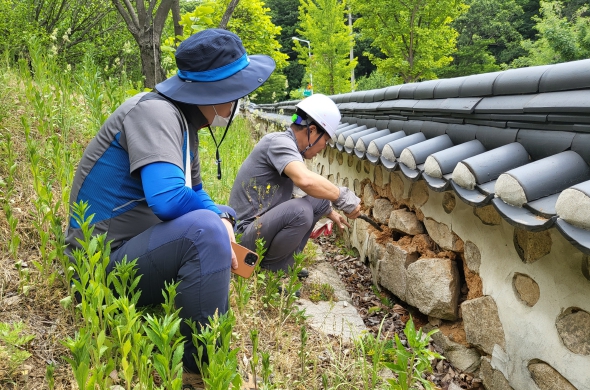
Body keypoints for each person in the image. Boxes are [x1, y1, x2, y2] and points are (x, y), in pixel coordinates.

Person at [65, 29, 275, 376]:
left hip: (128, 249)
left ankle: (207, 338)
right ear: (215, 92)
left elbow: (196, 191)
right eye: (238, 91)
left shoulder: (183, 124)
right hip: (96, 266)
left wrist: (221, 215)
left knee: (220, 216)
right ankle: (200, 370)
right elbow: (167, 199)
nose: (239, 101)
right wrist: (214, 220)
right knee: (206, 229)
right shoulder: (156, 114)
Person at [228, 93, 361, 274]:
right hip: (244, 239)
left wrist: (329, 212)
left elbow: (310, 189)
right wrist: (342, 196)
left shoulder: (288, 146)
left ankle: (284, 261)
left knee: (320, 201)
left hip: (258, 229)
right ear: (312, 130)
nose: (323, 147)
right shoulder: (279, 143)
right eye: (325, 141)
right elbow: (305, 180)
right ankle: (272, 271)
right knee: (300, 211)